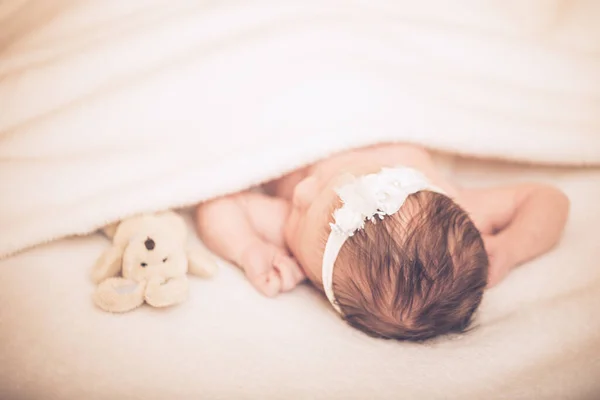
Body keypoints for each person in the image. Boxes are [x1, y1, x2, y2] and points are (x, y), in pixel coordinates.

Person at [195, 143, 569, 340]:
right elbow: (548, 200)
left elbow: (219, 201)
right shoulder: (462, 204)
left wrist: (248, 248)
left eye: (298, 215)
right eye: (327, 182)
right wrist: (509, 249)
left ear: (320, 286)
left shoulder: (297, 241)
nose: (303, 192)